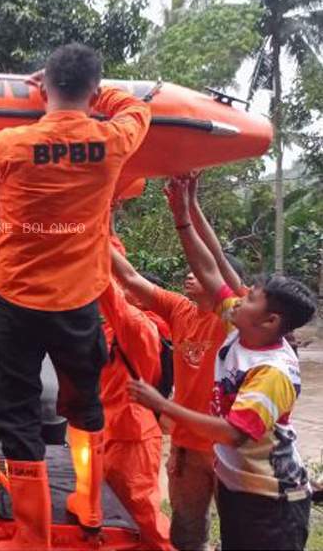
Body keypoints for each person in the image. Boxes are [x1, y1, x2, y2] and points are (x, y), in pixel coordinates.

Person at [0, 43, 151, 546]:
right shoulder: (113, 140)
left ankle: (31, 536)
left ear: (44, 86)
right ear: (93, 91)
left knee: (17, 415)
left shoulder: (9, 144)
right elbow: (138, 108)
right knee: (84, 403)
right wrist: (94, 89)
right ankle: (89, 507)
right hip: (77, 304)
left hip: (17, 300)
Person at [129, 177, 316, 551]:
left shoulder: (271, 372)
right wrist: (183, 216)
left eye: (249, 300)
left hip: (271, 502)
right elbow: (210, 271)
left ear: (270, 322)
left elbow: (233, 433)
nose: (236, 299)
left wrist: (163, 404)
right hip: (242, 489)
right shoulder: (243, 325)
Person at [110, 174, 247, 551]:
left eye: (196, 271)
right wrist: (92, 226)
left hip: (227, 448)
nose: (190, 273)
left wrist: (189, 211)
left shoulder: (234, 318)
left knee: (241, 533)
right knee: (186, 532)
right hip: (187, 444)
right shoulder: (178, 309)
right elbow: (131, 278)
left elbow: (214, 258)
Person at [98, 277, 173, 550]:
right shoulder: (115, 329)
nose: (124, 291)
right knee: (117, 512)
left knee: (143, 512)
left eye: (131, 288)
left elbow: (107, 290)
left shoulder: (137, 326)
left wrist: (89, 248)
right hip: (113, 427)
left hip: (133, 432)